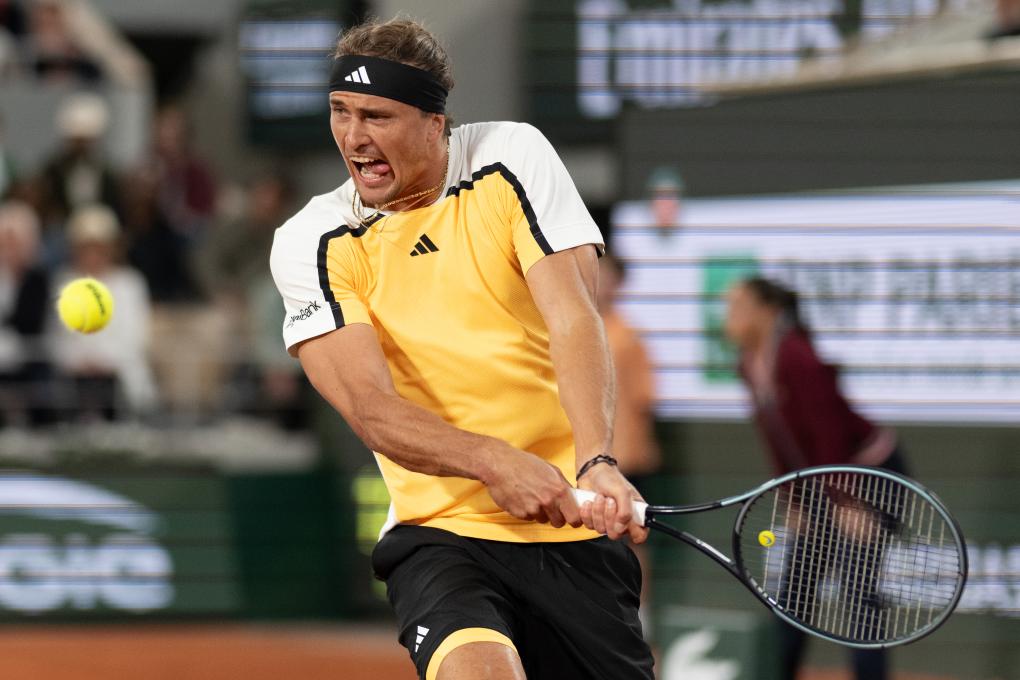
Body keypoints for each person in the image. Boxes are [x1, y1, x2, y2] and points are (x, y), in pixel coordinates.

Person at [270, 17, 653, 680]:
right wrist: (493, 462)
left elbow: (573, 316)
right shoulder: (313, 240)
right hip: (440, 535)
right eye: (340, 111)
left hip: (573, 532)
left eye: (376, 116)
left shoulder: (511, 157)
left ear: (433, 122)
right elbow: (370, 409)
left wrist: (595, 460)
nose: (353, 137)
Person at [724, 276, 908, 680]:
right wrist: (792, 499)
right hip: (820, 484)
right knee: (794, 593)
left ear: (768, 312)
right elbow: (778, 438)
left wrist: (848, 502)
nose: (728, 317)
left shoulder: (796, 356)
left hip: (867, 478)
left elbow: (829, 434)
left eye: (737, 307)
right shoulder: (749, 362)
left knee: (859, 594)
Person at [50, 204, 157, 421]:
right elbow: (55, 337)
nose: (92, 255)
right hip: (74, 377)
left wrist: (103, 361)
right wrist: (81, 361)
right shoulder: (63, 282)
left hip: (120, 376)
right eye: (85, 248)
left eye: (99, 247)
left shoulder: (130, 283)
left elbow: (137, 336)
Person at [0, 200, 51, 426]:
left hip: (29, 362)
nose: (9, 249)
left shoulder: (39, 280)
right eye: (5, 241)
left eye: (15, 242)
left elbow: (31, 323)